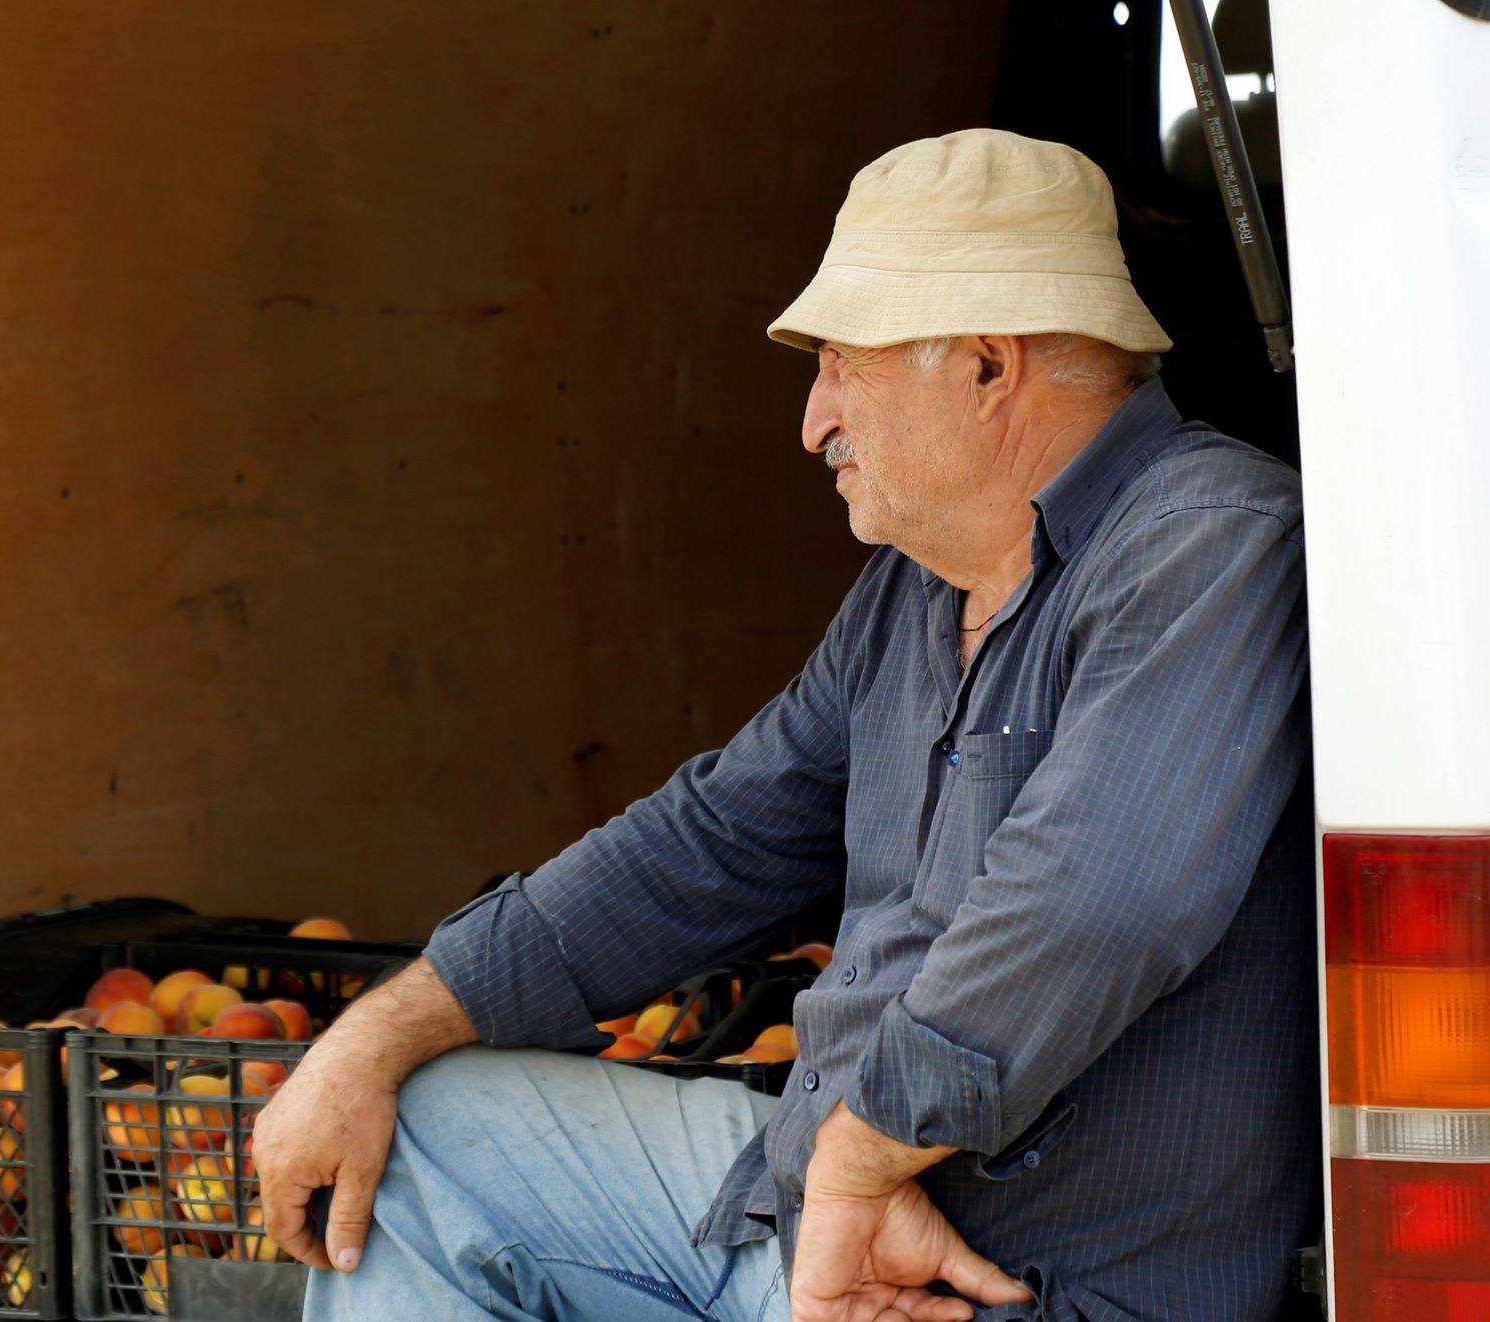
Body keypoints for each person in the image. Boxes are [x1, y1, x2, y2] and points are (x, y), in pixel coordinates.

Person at [253, 128, 1318, 1321]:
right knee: (427, 1130)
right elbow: (710, 838)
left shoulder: (1208, 541)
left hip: (1002, 1288)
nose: (812, 423)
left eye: (837, 367)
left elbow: (1092, 904)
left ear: (984, 365)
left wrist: (859, 1152)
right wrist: (374, 1033)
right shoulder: (913, 589)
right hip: (820, 1224)